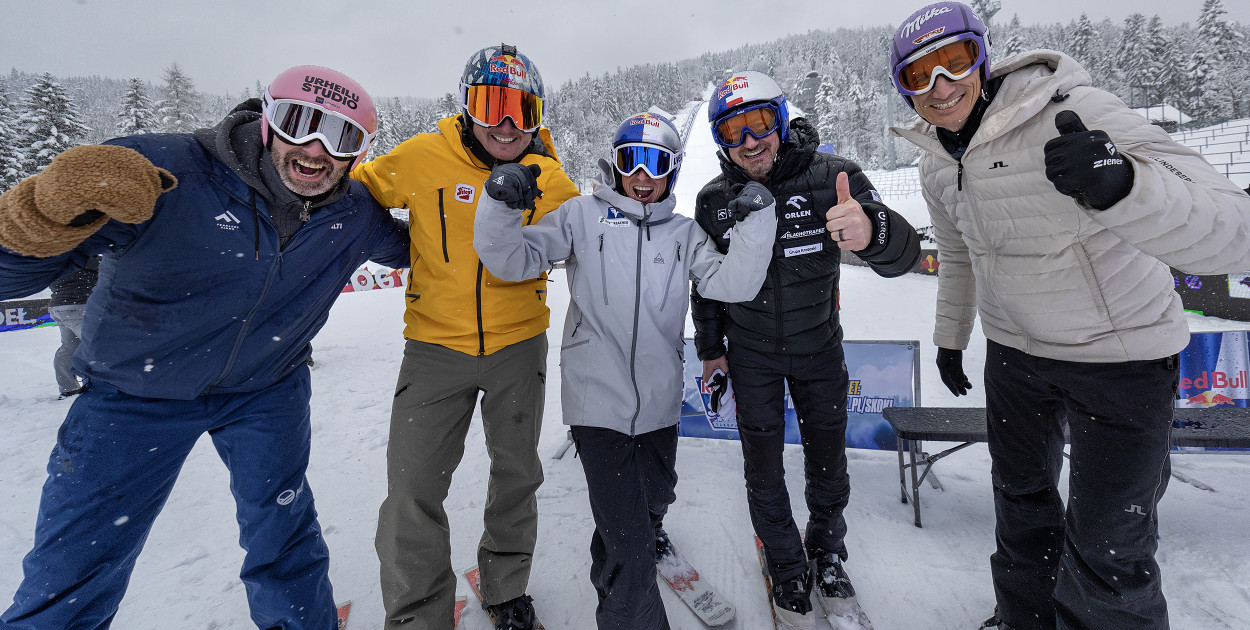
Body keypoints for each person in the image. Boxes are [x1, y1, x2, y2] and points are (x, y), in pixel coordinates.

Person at [0, 65, 408, 629]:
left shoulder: (353, 213)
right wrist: (43, 216)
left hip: (266, 391)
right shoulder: (164, 173)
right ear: (266, 119)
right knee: (75, 566)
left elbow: (428, 251)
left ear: (360, 151)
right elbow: (10, 278)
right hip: (133, 396)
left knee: (284, 535)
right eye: (300, 122)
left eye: (342, 136)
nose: (317, 149)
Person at [887, 3, 1250, 629]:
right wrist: (951, 339)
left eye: (954, 63)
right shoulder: (936, 162)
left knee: (1109, 542)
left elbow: (1233, 230)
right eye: (918, 76)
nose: (940, 88)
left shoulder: (1076, 113)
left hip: (1121, 357)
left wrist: (1126, 185)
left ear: (983, 56)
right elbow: (956, 254)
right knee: (1022, 509)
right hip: (1016, 356)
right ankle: (1023, 618)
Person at [474, 112, 777, 630]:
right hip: (597, 401)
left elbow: (733, 285)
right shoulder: (580, 217)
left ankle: (624, 541)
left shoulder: (684, 234)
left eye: (655, 163)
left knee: (655, 498)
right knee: (632, 552)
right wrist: (501, 205)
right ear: (615, 165)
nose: (641, 175)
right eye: (629, 160)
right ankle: (629, 606)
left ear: (671, 172)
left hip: (658, 400)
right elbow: (513, 260)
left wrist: (756, 222)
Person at [351, 43, 580, 630]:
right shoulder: (423, 157)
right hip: (433, 350)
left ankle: (506, 588)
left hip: (518, 346)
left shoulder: (550, 180)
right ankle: (417, 614)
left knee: (517, 474)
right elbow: (353, 193)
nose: (505, 124)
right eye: (489, 104)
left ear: (538, 116)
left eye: (521, 110)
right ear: (465, 107)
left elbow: (597, 245)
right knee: (411, 488)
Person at [691, 71, 921, 628]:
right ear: (720, 140)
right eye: (733, 129)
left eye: (760, 122)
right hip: (752, 358)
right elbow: (706, 285)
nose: (750, 141)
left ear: (781, 118)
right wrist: (711, 349)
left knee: (828, 460)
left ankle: (827, 552)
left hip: (819, 350)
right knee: (763, 467)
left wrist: (872, 233)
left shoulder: (834, 178)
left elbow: (904, 256)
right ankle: (787, 561)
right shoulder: (715, 200)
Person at [46, 254, 99, 397]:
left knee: (69, 347)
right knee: (97, 346)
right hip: (79, 305)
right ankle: (97, 386)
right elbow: (107, 267)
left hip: (59, 306)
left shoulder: (54, 260)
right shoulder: (82, 257)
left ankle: (68, 387)